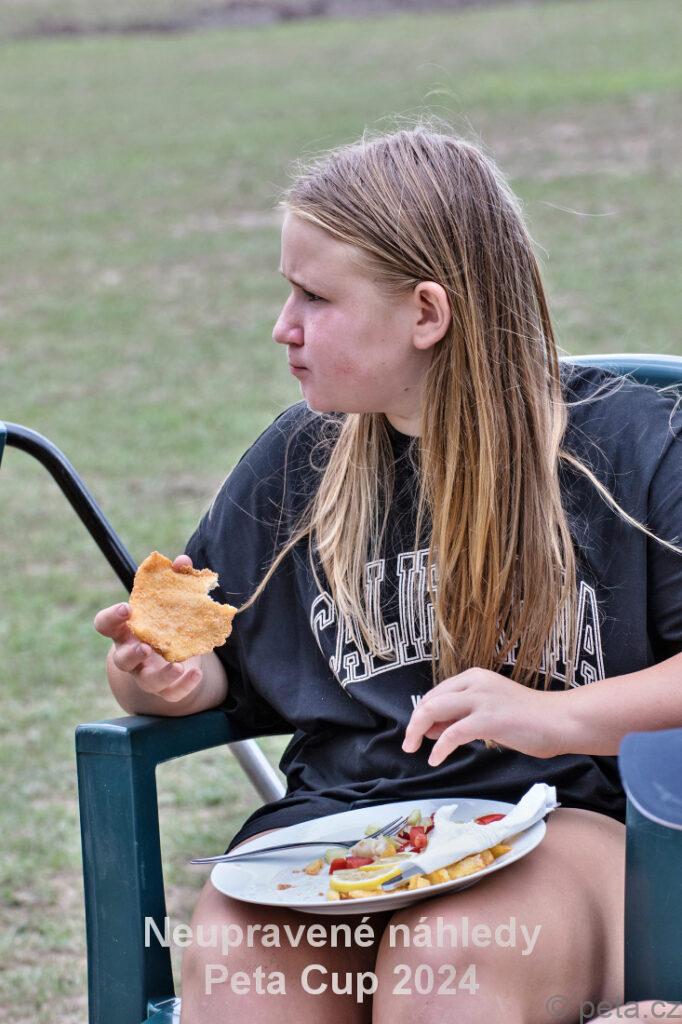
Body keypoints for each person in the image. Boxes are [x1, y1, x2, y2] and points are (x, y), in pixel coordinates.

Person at [94, 121, 682, 1024]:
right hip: (338, 831)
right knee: (237, 959)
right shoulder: (295, 461)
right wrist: (159, 672)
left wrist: (555, 717)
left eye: (315, 296)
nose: (282, 326)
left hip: (565, 823)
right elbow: (206, 665)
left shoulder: (635, 451)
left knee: (448, 961)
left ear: (426, 313)